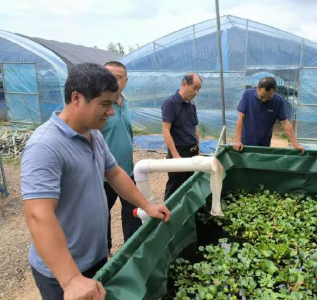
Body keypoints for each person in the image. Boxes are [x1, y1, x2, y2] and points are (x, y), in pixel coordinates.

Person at [21, 63, 170, 300]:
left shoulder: (94, 134)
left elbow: (115, 174)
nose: (111, 111)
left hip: (96, 257)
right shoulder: (45, 146)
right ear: (76, 98)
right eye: (105, 103)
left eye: (113, 103)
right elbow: (38, 215)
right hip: (64, 270)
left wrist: (147, 205)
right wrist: (70, 279)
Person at [100, 61, 140, 256]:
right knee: (101, 216)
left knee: (133, 213)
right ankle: (103, 252)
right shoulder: (98, 105)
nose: (112, 81)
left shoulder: (126, 102)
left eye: (117, 77)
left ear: (126, 81)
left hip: (127, 171)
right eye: (108, 75)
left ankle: (131, 251)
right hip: (102, 175)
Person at [233, 76, 305, 153]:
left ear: (274, 92)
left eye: (269, 98)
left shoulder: (278, 101)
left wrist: (296, 144)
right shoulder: (247, 95)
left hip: (264, 144)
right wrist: (237, 140)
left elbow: (285, 123)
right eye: (262, 96)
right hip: (245, 143)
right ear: (257, 88)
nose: (264, 100)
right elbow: (241, 117)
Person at [161, 73, 202, 200]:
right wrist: (175, 155)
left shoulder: (191, 104)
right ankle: (169, 216)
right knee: (175, 188)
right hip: (179, 152)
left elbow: (195, 128)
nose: (196, 92)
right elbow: (166, 131)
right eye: (194, 88)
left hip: (192, 151)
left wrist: (198, 149)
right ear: (184, 84)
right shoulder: (170, 103)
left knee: (190, 184)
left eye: (198, 89)